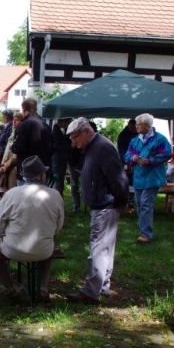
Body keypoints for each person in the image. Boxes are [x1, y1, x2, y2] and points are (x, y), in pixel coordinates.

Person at [64, 118, 129, 304]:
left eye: (75, 137)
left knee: (98, 248)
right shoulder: (92, 147)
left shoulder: (102, 147)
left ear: (87, 132)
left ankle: (91, 291)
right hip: (103, 204)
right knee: (104, 247)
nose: (73, 142)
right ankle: (102, 286)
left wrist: (119, 200)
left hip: (105, 205)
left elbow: (118, 178)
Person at [0, 156, 64, 302]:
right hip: (43, 250)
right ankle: (42, 288)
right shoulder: (55, 195)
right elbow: (58, 226)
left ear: (24, 176)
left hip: (12, 248)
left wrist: (4, 235)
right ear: (42, 175)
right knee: (49, 245)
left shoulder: (11, 194)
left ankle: (10, 289)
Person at [123, 113, 171, 243]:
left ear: (147, 125)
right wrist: (133, 158)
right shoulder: (135, 140)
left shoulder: (160, 139)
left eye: (139, 124)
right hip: (138, 177)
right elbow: (127, 155)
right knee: (139, 204)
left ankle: (146, 234)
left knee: (145, 204)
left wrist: (150, 160)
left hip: (153, 177)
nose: (136, 126)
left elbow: (167, 153)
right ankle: (143, 230)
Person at [12, 98, 52, 178]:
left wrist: (13, 147)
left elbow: (19, 148)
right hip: (42, 170)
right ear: (35, 109)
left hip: (27, 171)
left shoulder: (23, 125)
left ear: (24, 109)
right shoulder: (45, 125)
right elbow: (51, 148)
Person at [0, 112, 24, 189]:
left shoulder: (20, 134)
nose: (14, 122)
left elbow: (15, 155)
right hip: (6, 165)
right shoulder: (13, 132)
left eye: (17, 120)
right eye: (13, 120)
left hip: (13, 167)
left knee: (11, 189)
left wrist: (6, 165)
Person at [50, 118, 73, 197]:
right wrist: (70, 146)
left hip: (60, 161)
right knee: (58, 183)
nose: (68, 125)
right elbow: (57, 146)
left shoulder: (61, 130)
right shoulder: (56, 131)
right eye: (67, 123)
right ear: (63, 121)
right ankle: (57, 200)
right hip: (57, 161)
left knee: (60, 182)